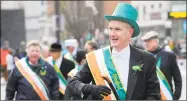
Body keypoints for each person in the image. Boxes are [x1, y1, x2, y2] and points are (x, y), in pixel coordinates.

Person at [66, 3, 160, 100]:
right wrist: (90, 88)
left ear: (130, 32)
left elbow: (154, 95)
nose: (112, 34)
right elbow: (72, 84)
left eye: (117, 29)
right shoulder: (96, 58)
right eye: (110, 29)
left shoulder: (147, 59)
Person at [141, 31, 182, 100]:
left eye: (148, 41)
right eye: (144, 41)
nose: (145, 44)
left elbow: (177, 78)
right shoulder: (142, 56)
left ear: (155, 42)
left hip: (166, 96)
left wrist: (176, 96)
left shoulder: (169, 56)